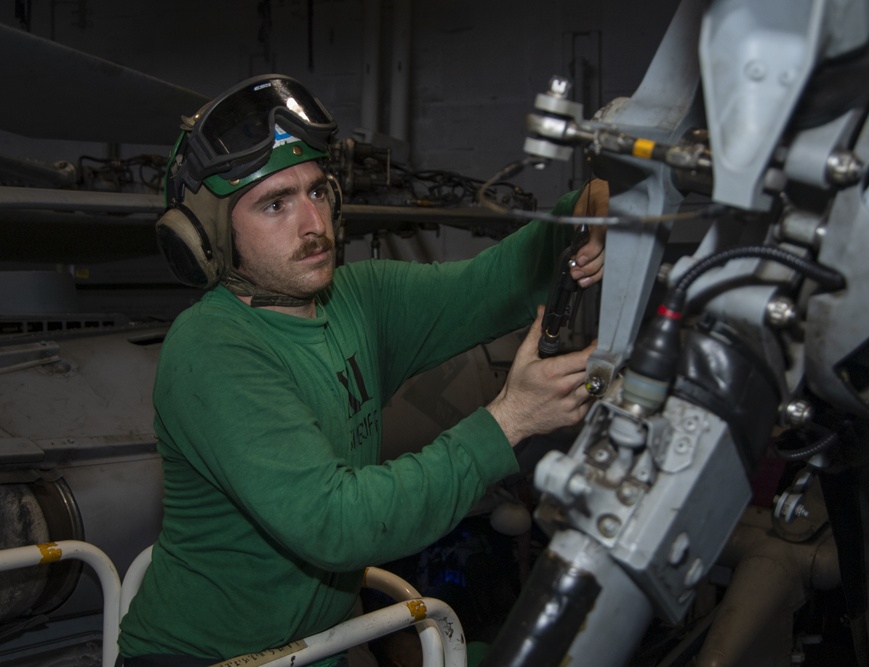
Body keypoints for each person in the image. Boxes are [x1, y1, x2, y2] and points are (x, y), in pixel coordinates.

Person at [116, 73, 607, 667]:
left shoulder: (358, 299)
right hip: (203, 660)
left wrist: (576, 222)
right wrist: (506, 423)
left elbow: (492, 284)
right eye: (276, 204)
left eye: (317, 192)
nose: (313, 224)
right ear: (211, 236)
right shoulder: (212, 347)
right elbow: (336, 522)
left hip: (316, 651)